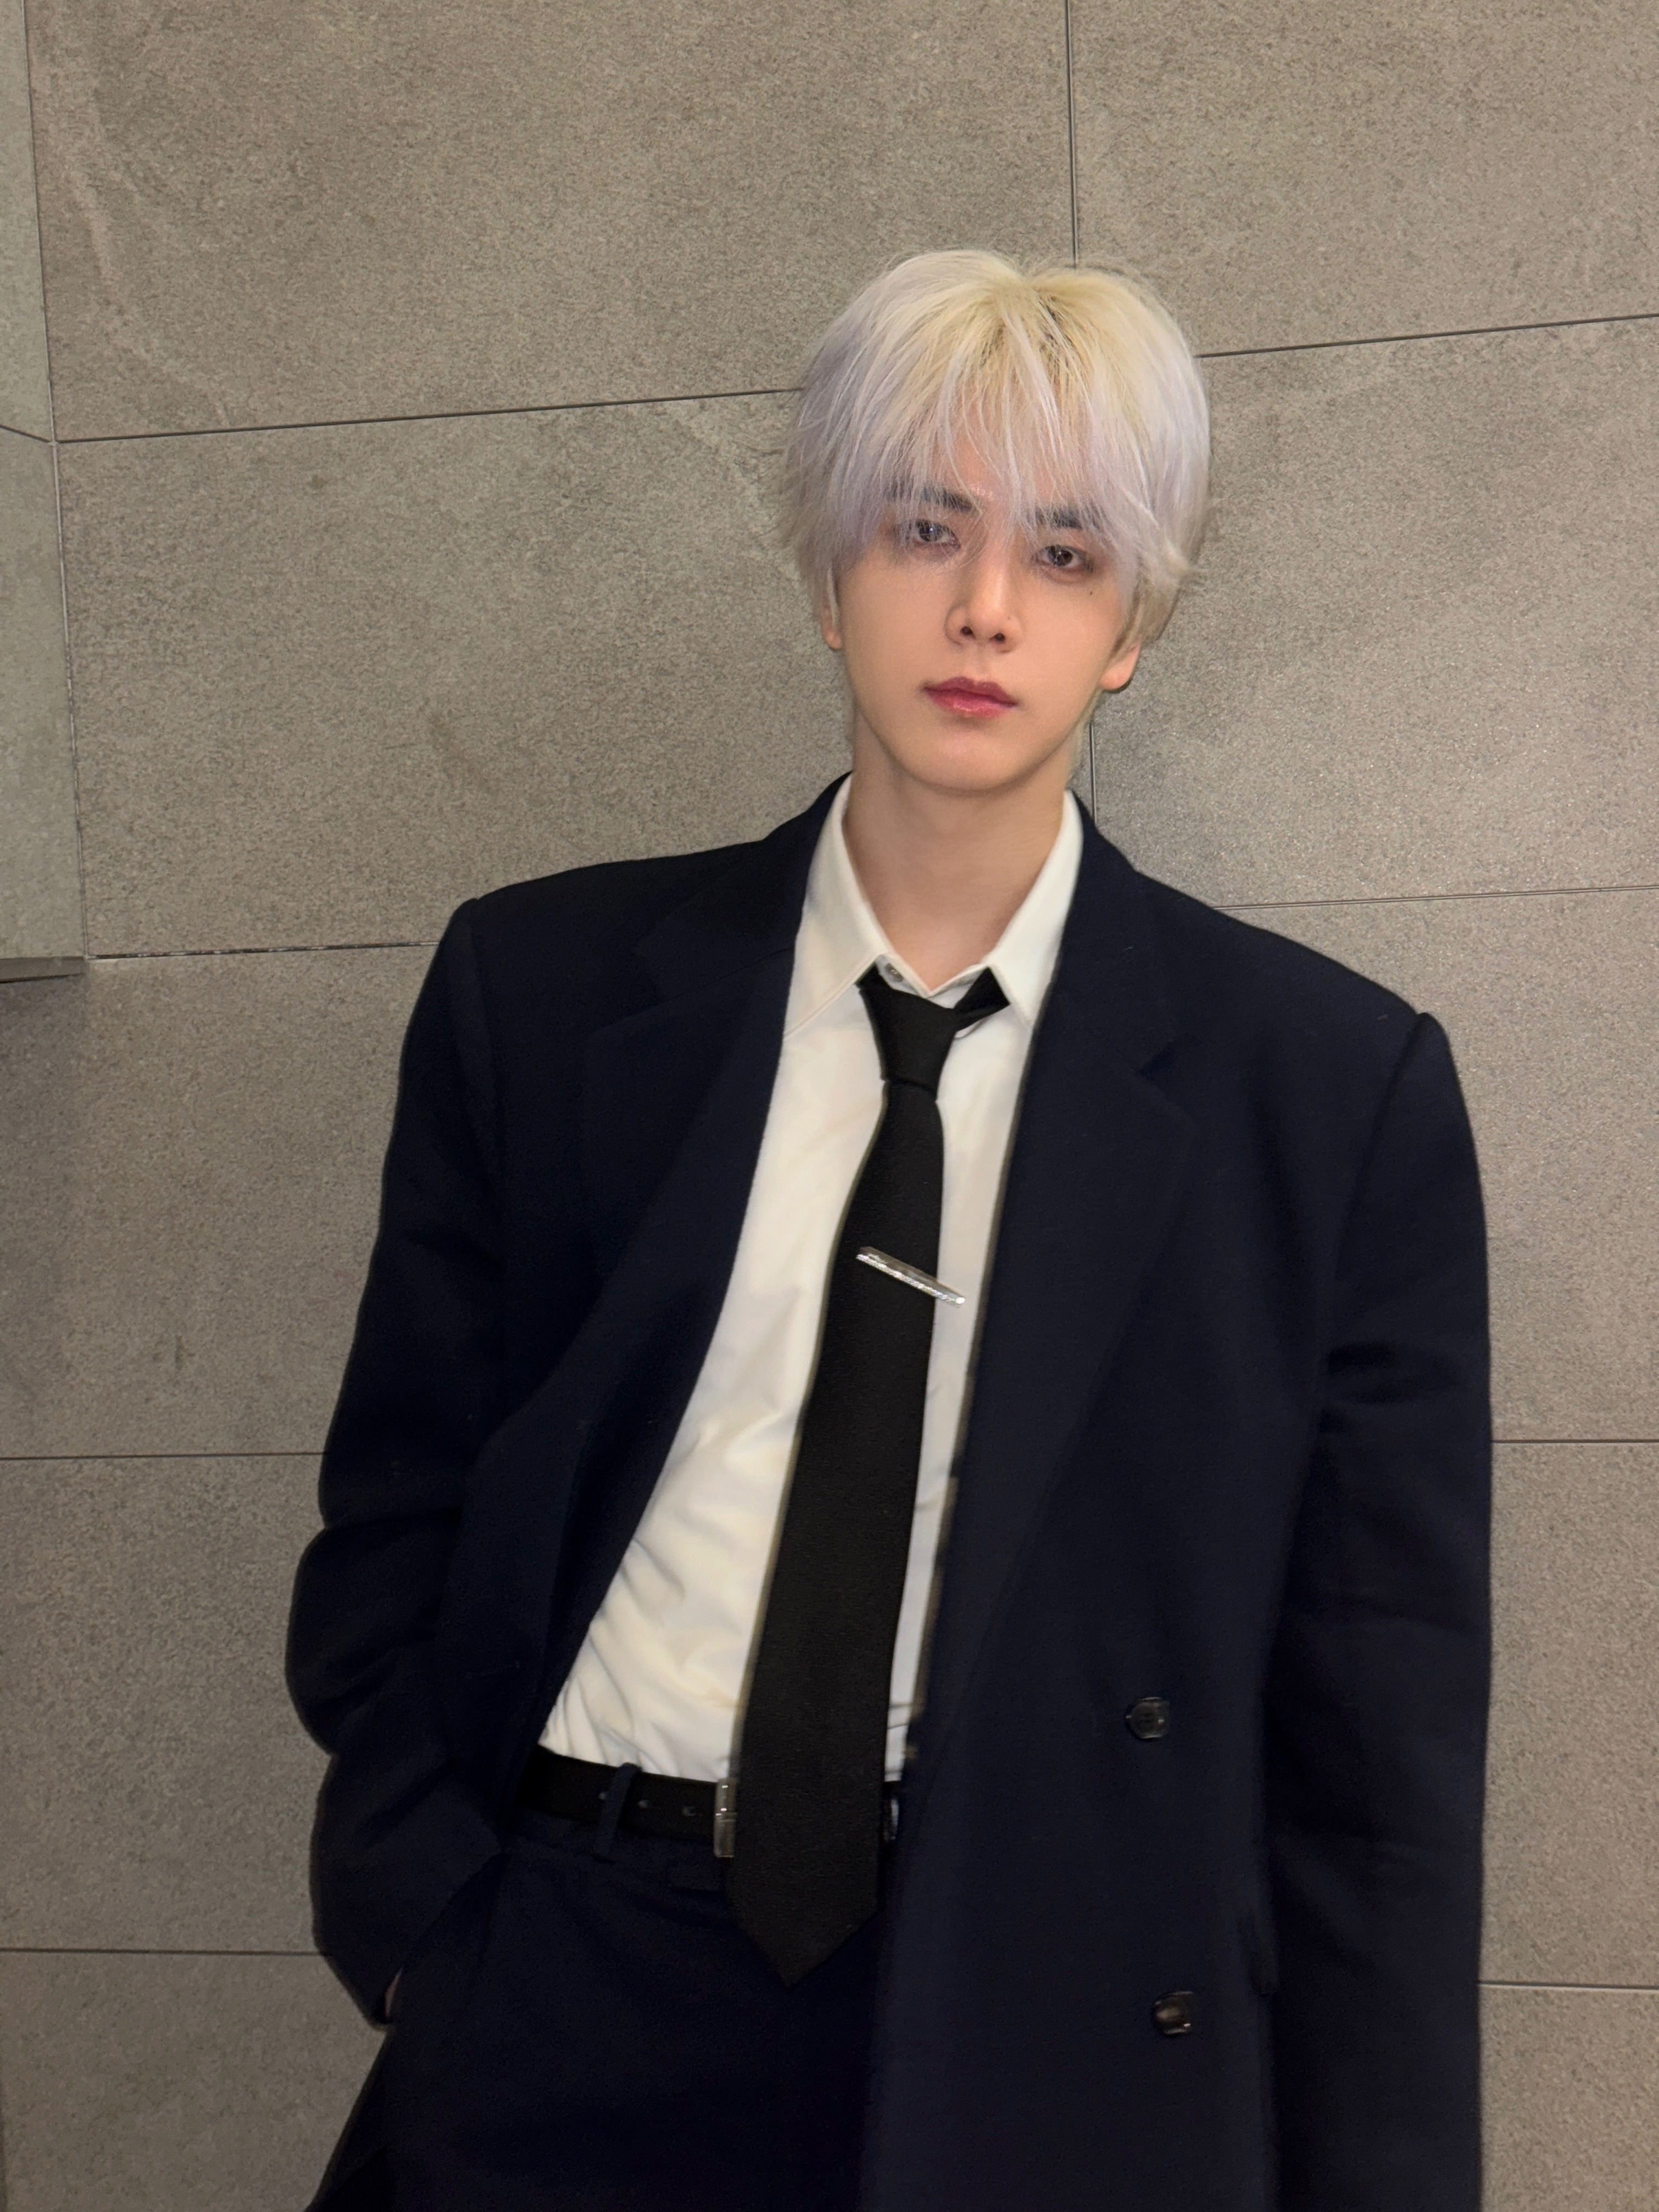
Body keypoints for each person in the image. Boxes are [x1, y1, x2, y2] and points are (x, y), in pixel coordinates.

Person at [287, 249, 1490, 2212]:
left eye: (1067, 552)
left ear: (1133, 623)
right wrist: (433, 1923)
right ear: (828, 574)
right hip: (564, 1993)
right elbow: (397, 1523)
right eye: (927, 528)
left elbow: (1382, 1760)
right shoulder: (545, 993)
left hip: (1054, 2021)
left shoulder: (1329, 1094)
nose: (986, 605)